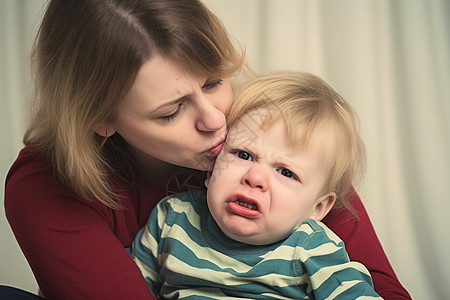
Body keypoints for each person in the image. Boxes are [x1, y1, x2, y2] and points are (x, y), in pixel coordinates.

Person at [2, 0, 410, 299]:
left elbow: (381, 289)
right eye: (171, 111)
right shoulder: (45, 183)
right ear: (100, 118)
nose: (215, 120)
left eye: (214, 82)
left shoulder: (277, 138)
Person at [130, 71, 382, 299]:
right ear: (213, 165)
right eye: (243, 155)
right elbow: (130, 288)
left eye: (286, 172)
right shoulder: (172, 218)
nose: (255, 178)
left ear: (317, 208)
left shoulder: (313, 249)